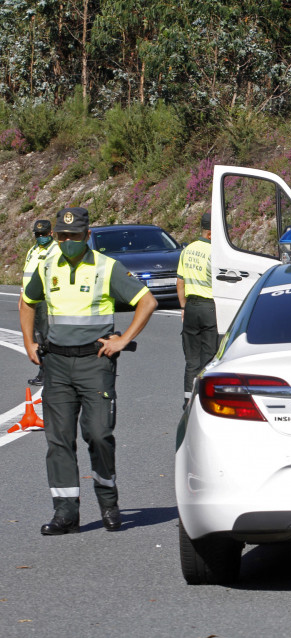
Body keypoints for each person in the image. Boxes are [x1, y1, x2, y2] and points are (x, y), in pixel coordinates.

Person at [19, 207, 158, 535]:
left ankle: (108, 502)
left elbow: (147, 301)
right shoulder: (47, 265)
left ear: (87, 236)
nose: (68, 242)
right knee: (59, 439)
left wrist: (123, 339)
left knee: (98, 433)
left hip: (95, 363)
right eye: (62, 236)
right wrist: (28, 343)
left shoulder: (106, 268)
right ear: (55, 236)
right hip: (56, 365)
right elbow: (27, 303)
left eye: (75, 236)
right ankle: (65, 512)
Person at [176, 212, 217, 408]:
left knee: (191, 359)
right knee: (209, 357)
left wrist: (183, 307)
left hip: (191, 306)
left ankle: (187, 400)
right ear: (210, 233)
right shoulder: (214, 252)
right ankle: (204, 401)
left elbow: (180, 281)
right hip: (210, 307)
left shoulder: (188, 250)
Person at [18, 219, 57, 385]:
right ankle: (43, 369)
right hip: (30, 299)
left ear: (51, 233)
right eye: (38, 234)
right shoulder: (33, 250)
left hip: (44, 299)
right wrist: (21, 295)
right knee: (36, 336)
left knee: (45, 337)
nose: (40, 237)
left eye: (44, 234)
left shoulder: (55, 250)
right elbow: (26, 274)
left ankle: (47, 372)